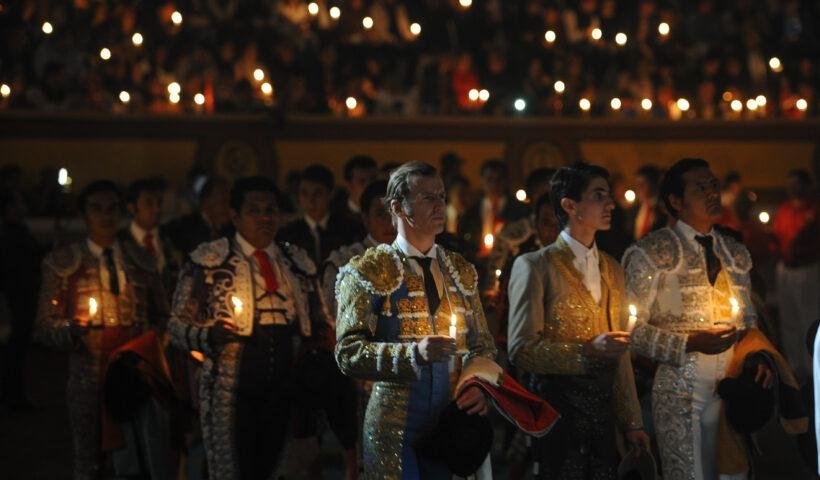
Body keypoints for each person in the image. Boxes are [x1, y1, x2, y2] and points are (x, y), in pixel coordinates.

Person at [335, 161, 497, 478]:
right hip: (393, 429)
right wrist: (412, 355)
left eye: (441, 196)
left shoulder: (460, 269)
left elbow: (483, 346)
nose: (440, 205)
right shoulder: (367, 269)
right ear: (397, 206)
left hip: (451, 425)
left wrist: (480, 385)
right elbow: (347, 353)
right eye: (427, 198)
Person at [168, 176, 331, 480]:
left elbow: (321, 322)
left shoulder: (297, 262)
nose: (265, 217)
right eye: (254, 210)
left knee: (276, 470)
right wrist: (208, 335)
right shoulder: (209, 261)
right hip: (230, 390)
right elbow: (177, 326)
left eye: (271, 210)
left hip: (286, 388)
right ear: (235, 216)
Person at [623, 158, 774, 480]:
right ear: (676, 202)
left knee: (732, 475)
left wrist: (756, 357)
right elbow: (630, 328)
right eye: (700, 187)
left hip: (732, 386)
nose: (712, 193)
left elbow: (749, 321)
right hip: (679, 388)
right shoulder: (651, 252)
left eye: (713, 185)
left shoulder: (734, 251)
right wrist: (688, 342)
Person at [507, 162, 650, 479]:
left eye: (609, 196)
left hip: (603, 415)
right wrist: (586, 351)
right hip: (557, 412)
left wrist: (633, 422)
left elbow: (621, 351)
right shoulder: (535, 266)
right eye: (599, 196)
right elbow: (521, 349)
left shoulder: (612, 267)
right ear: (569, 206)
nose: (611, 204)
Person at [35, 180, 170, 480]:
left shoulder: (143, 260)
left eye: (112, 208)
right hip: (87, 375)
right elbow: (44, 326)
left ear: (122, 213)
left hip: (134, 373)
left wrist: (149, 343)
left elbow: (164, 315)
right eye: (97, 208)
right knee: (89, 459)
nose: (106, 215)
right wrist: (70, 328)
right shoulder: (62, 262)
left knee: (137, 456)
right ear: (84, 214)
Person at [317, 179, 396, 479]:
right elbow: (333, 325)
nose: (389, 222)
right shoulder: (344, 262)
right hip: (361, 381)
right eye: (380, 214)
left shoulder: (419, 259)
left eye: (394, 212)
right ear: (364, 219)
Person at [773, 169, 819, 383]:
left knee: (808, 317)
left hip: (807, 269)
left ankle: (813, 367)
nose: (792, 188)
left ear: (806, 186)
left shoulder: (814, 210)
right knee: (789, 318)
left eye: (797, 184)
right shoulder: (784, 209)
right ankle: (795, 365)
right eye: (790, 184)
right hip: (786, 269)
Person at [0, 190, 44, 409]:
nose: (24, 205)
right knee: (15, 348)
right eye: (19, 201)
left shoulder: (17, 231)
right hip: (18, 296)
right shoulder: (10, 234)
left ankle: (13, 394)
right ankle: (13, 395)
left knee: (16, 347)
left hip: (21, 295)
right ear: (9, 207)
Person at [277, 164, 365, 265]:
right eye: (304, 193)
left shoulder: (350, 230)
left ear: (330, 194)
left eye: (317, 194)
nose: (310, 201)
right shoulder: (288, 235)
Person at [118, 177, 181, 294]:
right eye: (149, 203)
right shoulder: (120, 242)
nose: (156, 209)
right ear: (132, 208)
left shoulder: (173, 236)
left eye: (159, 202)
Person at [457, 159, 529, 260]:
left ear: (506, 181)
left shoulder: (519, 210)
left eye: (498, 180)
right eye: (490, 179)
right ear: (482, 181)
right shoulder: (471, 213)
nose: (494, 184)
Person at [164, 176, 233, 256]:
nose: (229, 207)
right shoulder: (181, 228)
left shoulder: (233, 230)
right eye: (223, 201)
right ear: (206, 201)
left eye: (231, 202)